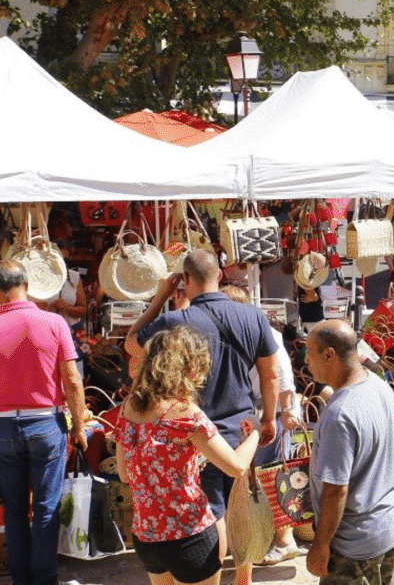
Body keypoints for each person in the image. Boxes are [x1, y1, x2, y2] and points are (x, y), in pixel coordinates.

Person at [125, 249, 280, 585]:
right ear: (220, 276)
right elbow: (270, 376)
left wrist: (161, 296)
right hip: (240, 429)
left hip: (197, 436)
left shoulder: (174, 322)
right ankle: (243, 579)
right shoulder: (254, 316)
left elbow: (132, 344)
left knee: (214, 511)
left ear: (186, 280)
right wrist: (267, 419)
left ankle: (214, 575)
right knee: (242, 504)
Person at [116, 326, 261, 585]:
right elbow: (237, 467)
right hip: (189, 536)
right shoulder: (185, 413)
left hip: (147, 537)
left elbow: (125, 474)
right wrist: (256, 434)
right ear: (188, 368)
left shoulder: (129, 407)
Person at [0, 259, 87, 585]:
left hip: (4, 427)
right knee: (46, 510)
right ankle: (46, 580)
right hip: (45, 425)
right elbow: (73, 381)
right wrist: (79, 427)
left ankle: (21, 580)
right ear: (27, 285)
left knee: (16, 511)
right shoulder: (53, 322)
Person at [305, 320, 394, 584]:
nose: (306, 360)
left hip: (354, 545)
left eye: (309, 352)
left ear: (329, 355)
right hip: (388, 526)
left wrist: (320, 545)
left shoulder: (339, 415)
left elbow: (336, 489)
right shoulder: (378, 385)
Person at [220, 285, 303, 566]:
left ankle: (285, 540)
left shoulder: (263, 332)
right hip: (257, 413)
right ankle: (261, 535)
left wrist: (286, 411)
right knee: (260, 478)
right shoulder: (242, 331)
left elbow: (280, 376)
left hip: (269, 414)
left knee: (273, 477)